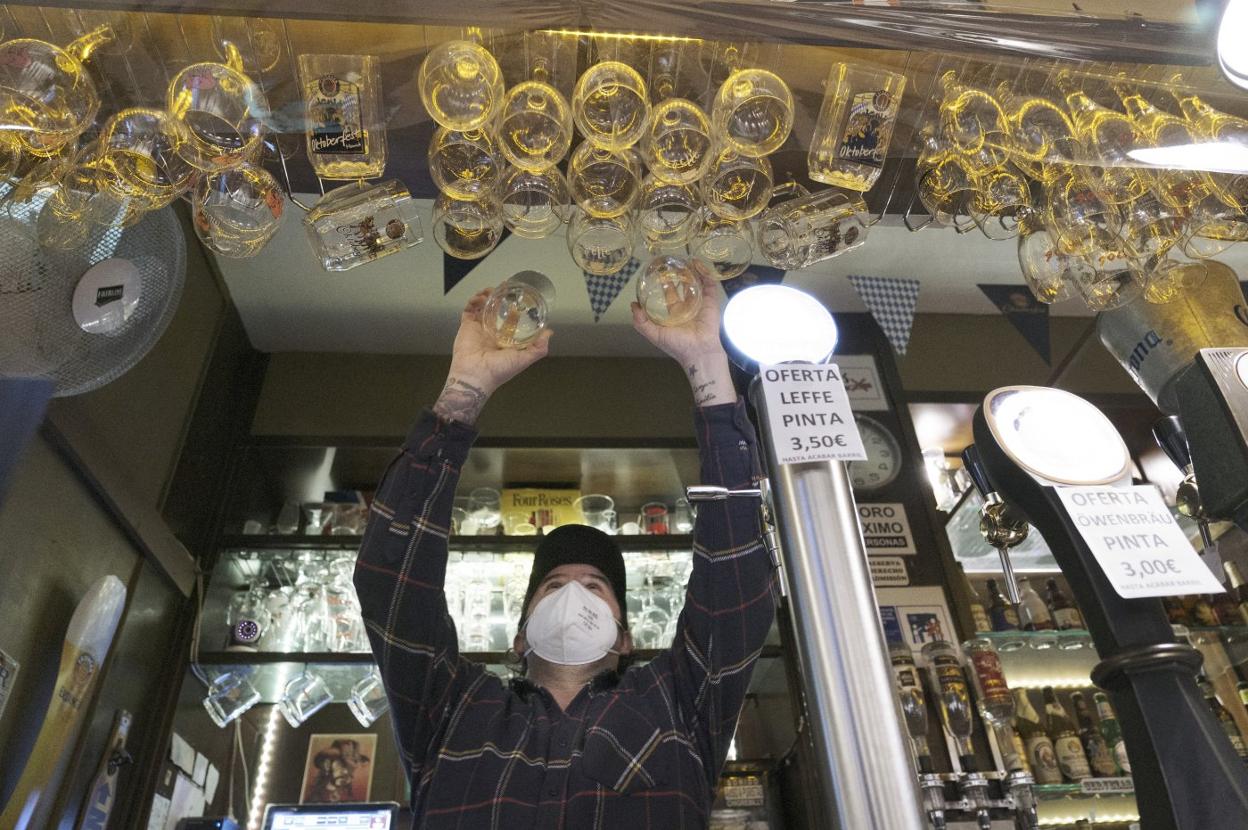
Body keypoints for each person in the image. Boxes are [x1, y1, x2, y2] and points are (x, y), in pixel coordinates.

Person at [354, 267, 776, 828]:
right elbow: (392, 583)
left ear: (625, 638)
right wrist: (465, 390)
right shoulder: (451, 707)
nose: (573, 590)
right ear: (520, 634)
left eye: (595, 586)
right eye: (553, 585)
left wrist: (707, 367)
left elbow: (736, 586)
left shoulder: (678, 702)